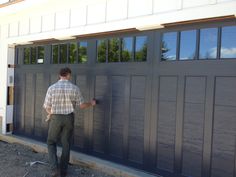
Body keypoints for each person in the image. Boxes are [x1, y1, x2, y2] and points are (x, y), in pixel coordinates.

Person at [43, 67, 96, 177]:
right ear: (68, 75)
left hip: (56, 118)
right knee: (66, 143)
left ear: (59, 75)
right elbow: (81, 106)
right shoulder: (74, 88)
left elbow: (47, 107)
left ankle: (54, 169)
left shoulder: (51, 88)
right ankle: (63, 171)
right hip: (69, 118)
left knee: (51, 142)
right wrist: (91, 103)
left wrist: (51, 113)